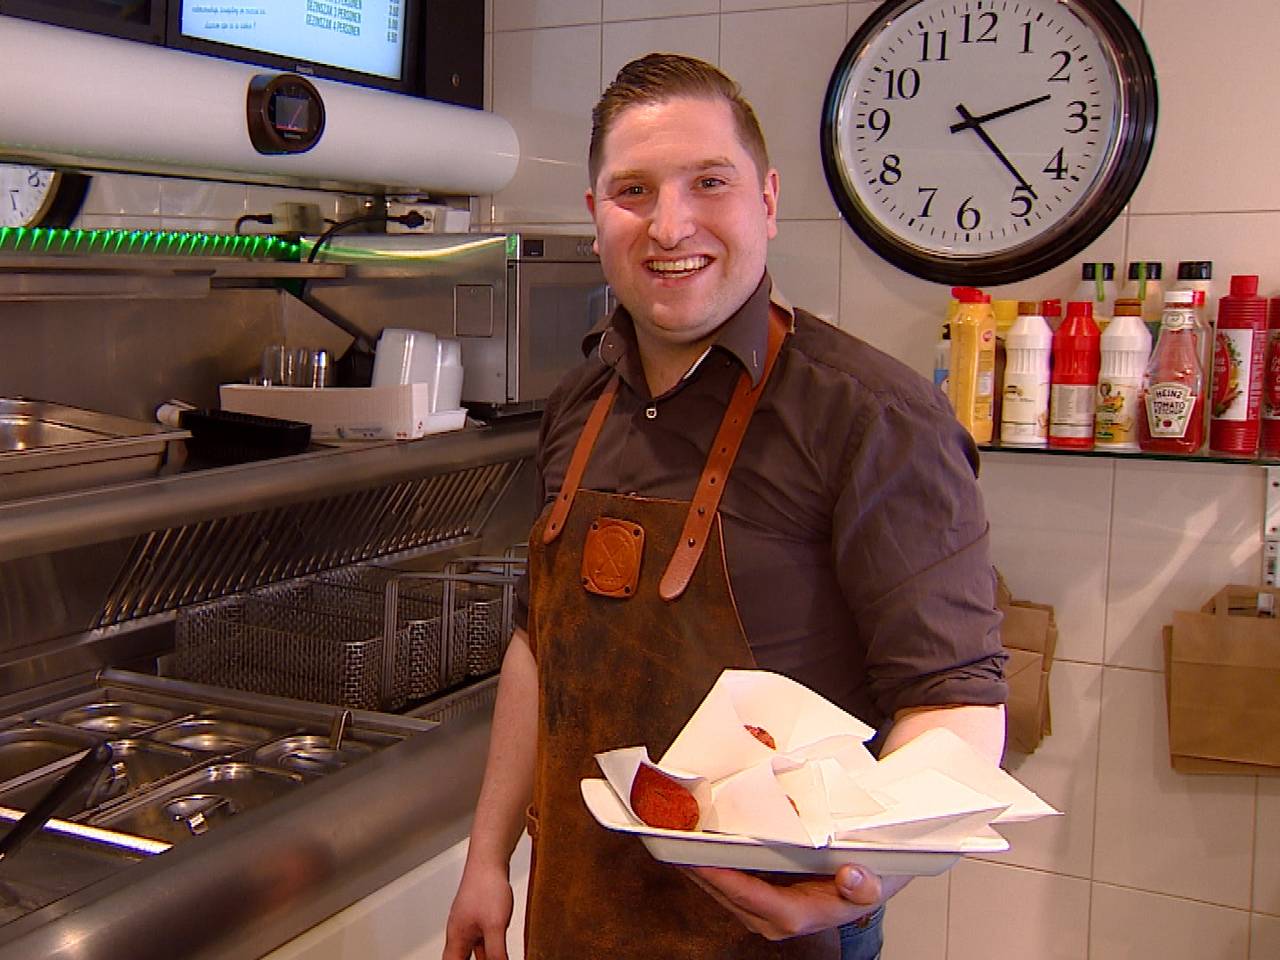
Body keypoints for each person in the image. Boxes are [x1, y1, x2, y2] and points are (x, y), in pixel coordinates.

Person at [443, 53, 1007, 960]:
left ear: (768, 201)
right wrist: (484, 860)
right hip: (577, 913)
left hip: (776, 934)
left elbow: (955, 702)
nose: (671, 225)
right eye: (633, 190)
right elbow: (537, 646)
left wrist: (861, 883)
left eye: (710, 182)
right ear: (596, 218)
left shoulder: (874, 418)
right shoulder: (579, 404)